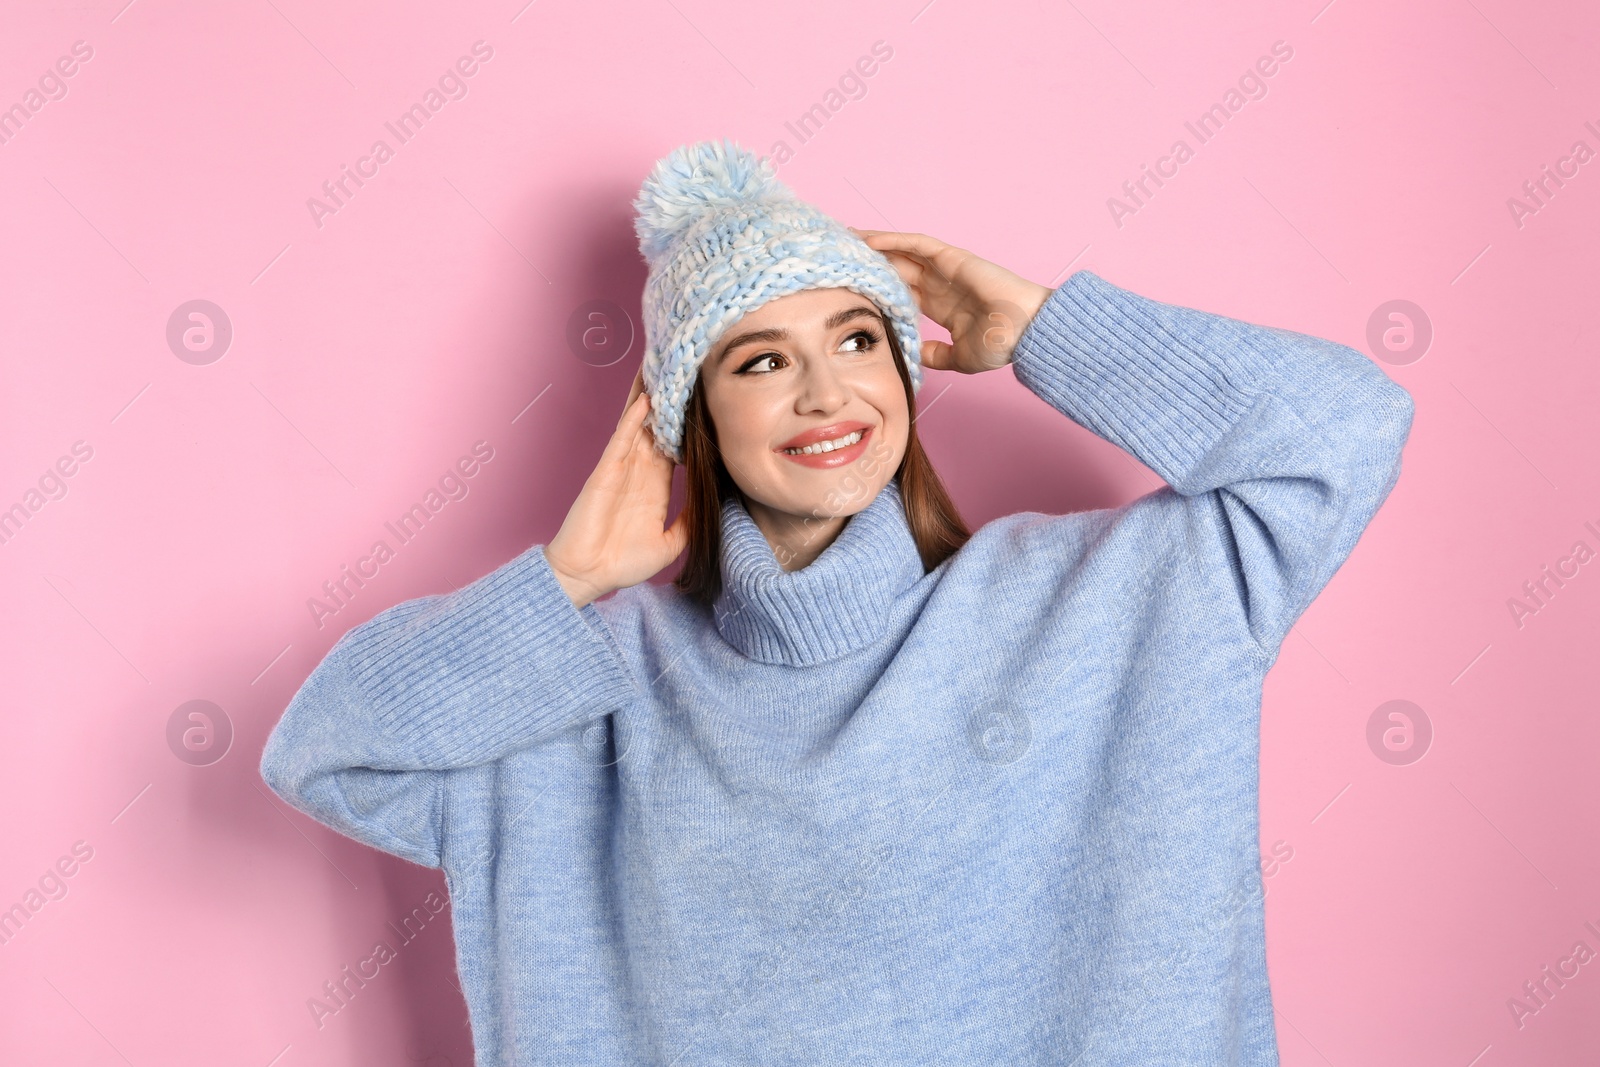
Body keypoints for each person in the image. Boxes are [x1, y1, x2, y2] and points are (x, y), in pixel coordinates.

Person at [261, 138, 1415, 1065]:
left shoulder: (1121, 599)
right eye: (757, 359)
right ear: (688, 418)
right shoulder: (587, 690)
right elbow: (325, 749)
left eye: (858, 337)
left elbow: (1347, 430)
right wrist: (564, 580)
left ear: (906, 372)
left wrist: (1041, 327)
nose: (825, 391)